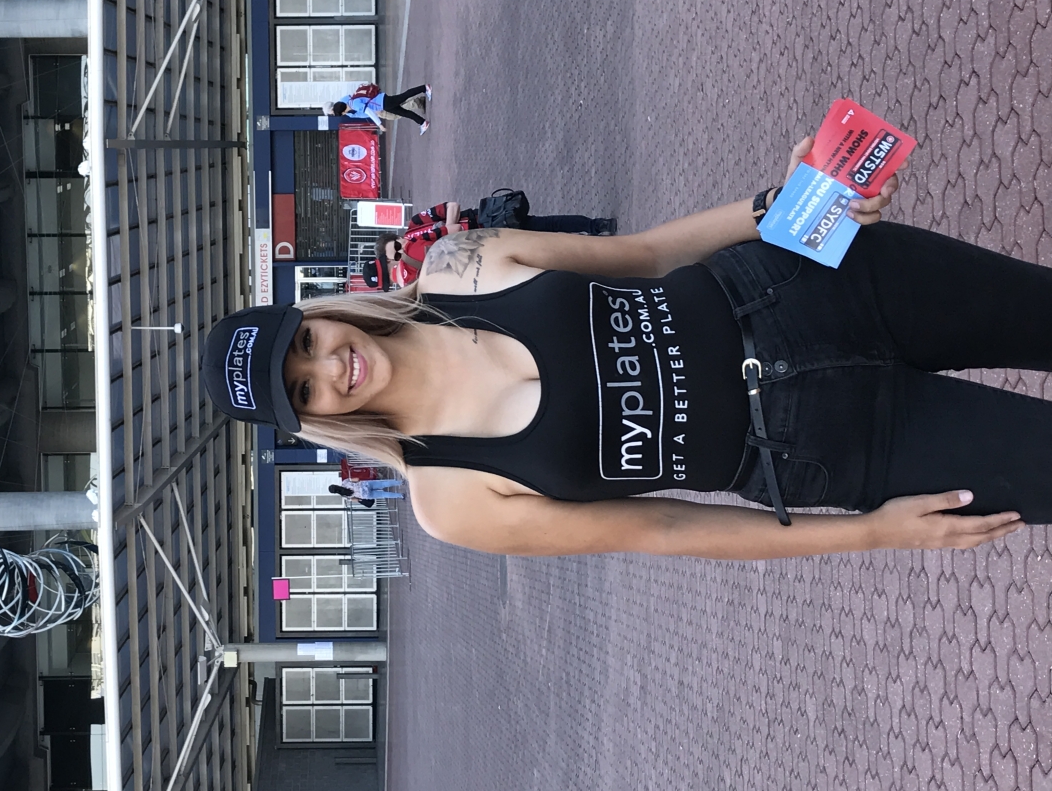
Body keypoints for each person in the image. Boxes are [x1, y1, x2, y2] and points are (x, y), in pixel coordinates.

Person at [201, 133, 1036, 560]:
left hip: (816, 288)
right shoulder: (448, 501)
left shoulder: (459, 264)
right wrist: (872, 535)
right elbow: (664, 529)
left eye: (306, 340)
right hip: (835, 445)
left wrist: (783, 205)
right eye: (304, 389)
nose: (330, 365)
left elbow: (645, 255)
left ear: (317, 313)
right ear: (312, 421)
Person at [364, 200, 618, 289]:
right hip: (487, 251)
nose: (399, 252)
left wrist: (449, 237)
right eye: (395, 256)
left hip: (484, 225)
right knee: (548, 248)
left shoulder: (414, 228)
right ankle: (601, 253)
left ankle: (596, 227)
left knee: (545, 226)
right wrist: (449, 236)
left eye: (395, 247)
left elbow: (450, 207)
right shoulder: (415, 270)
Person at [326, 82, 431, 134]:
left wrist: (379, 125)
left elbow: (369, 112)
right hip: (382, 102)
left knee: (404, 97)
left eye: (342, 113)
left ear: (343, 111)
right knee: (404, 111)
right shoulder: (351, 102)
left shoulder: (355, 105)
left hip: (382, 102)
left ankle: (425, 88)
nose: (343, 115)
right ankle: (422, 122)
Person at [329, 479, 406, 507]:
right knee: (383, 484)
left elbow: (356, 500)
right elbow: (357, 479)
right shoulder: (345, 482)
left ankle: (400, 495)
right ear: (336, 485)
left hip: (365, 495)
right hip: (365, 485)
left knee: (383, 494)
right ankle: (400, 482)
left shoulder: (345, 496)